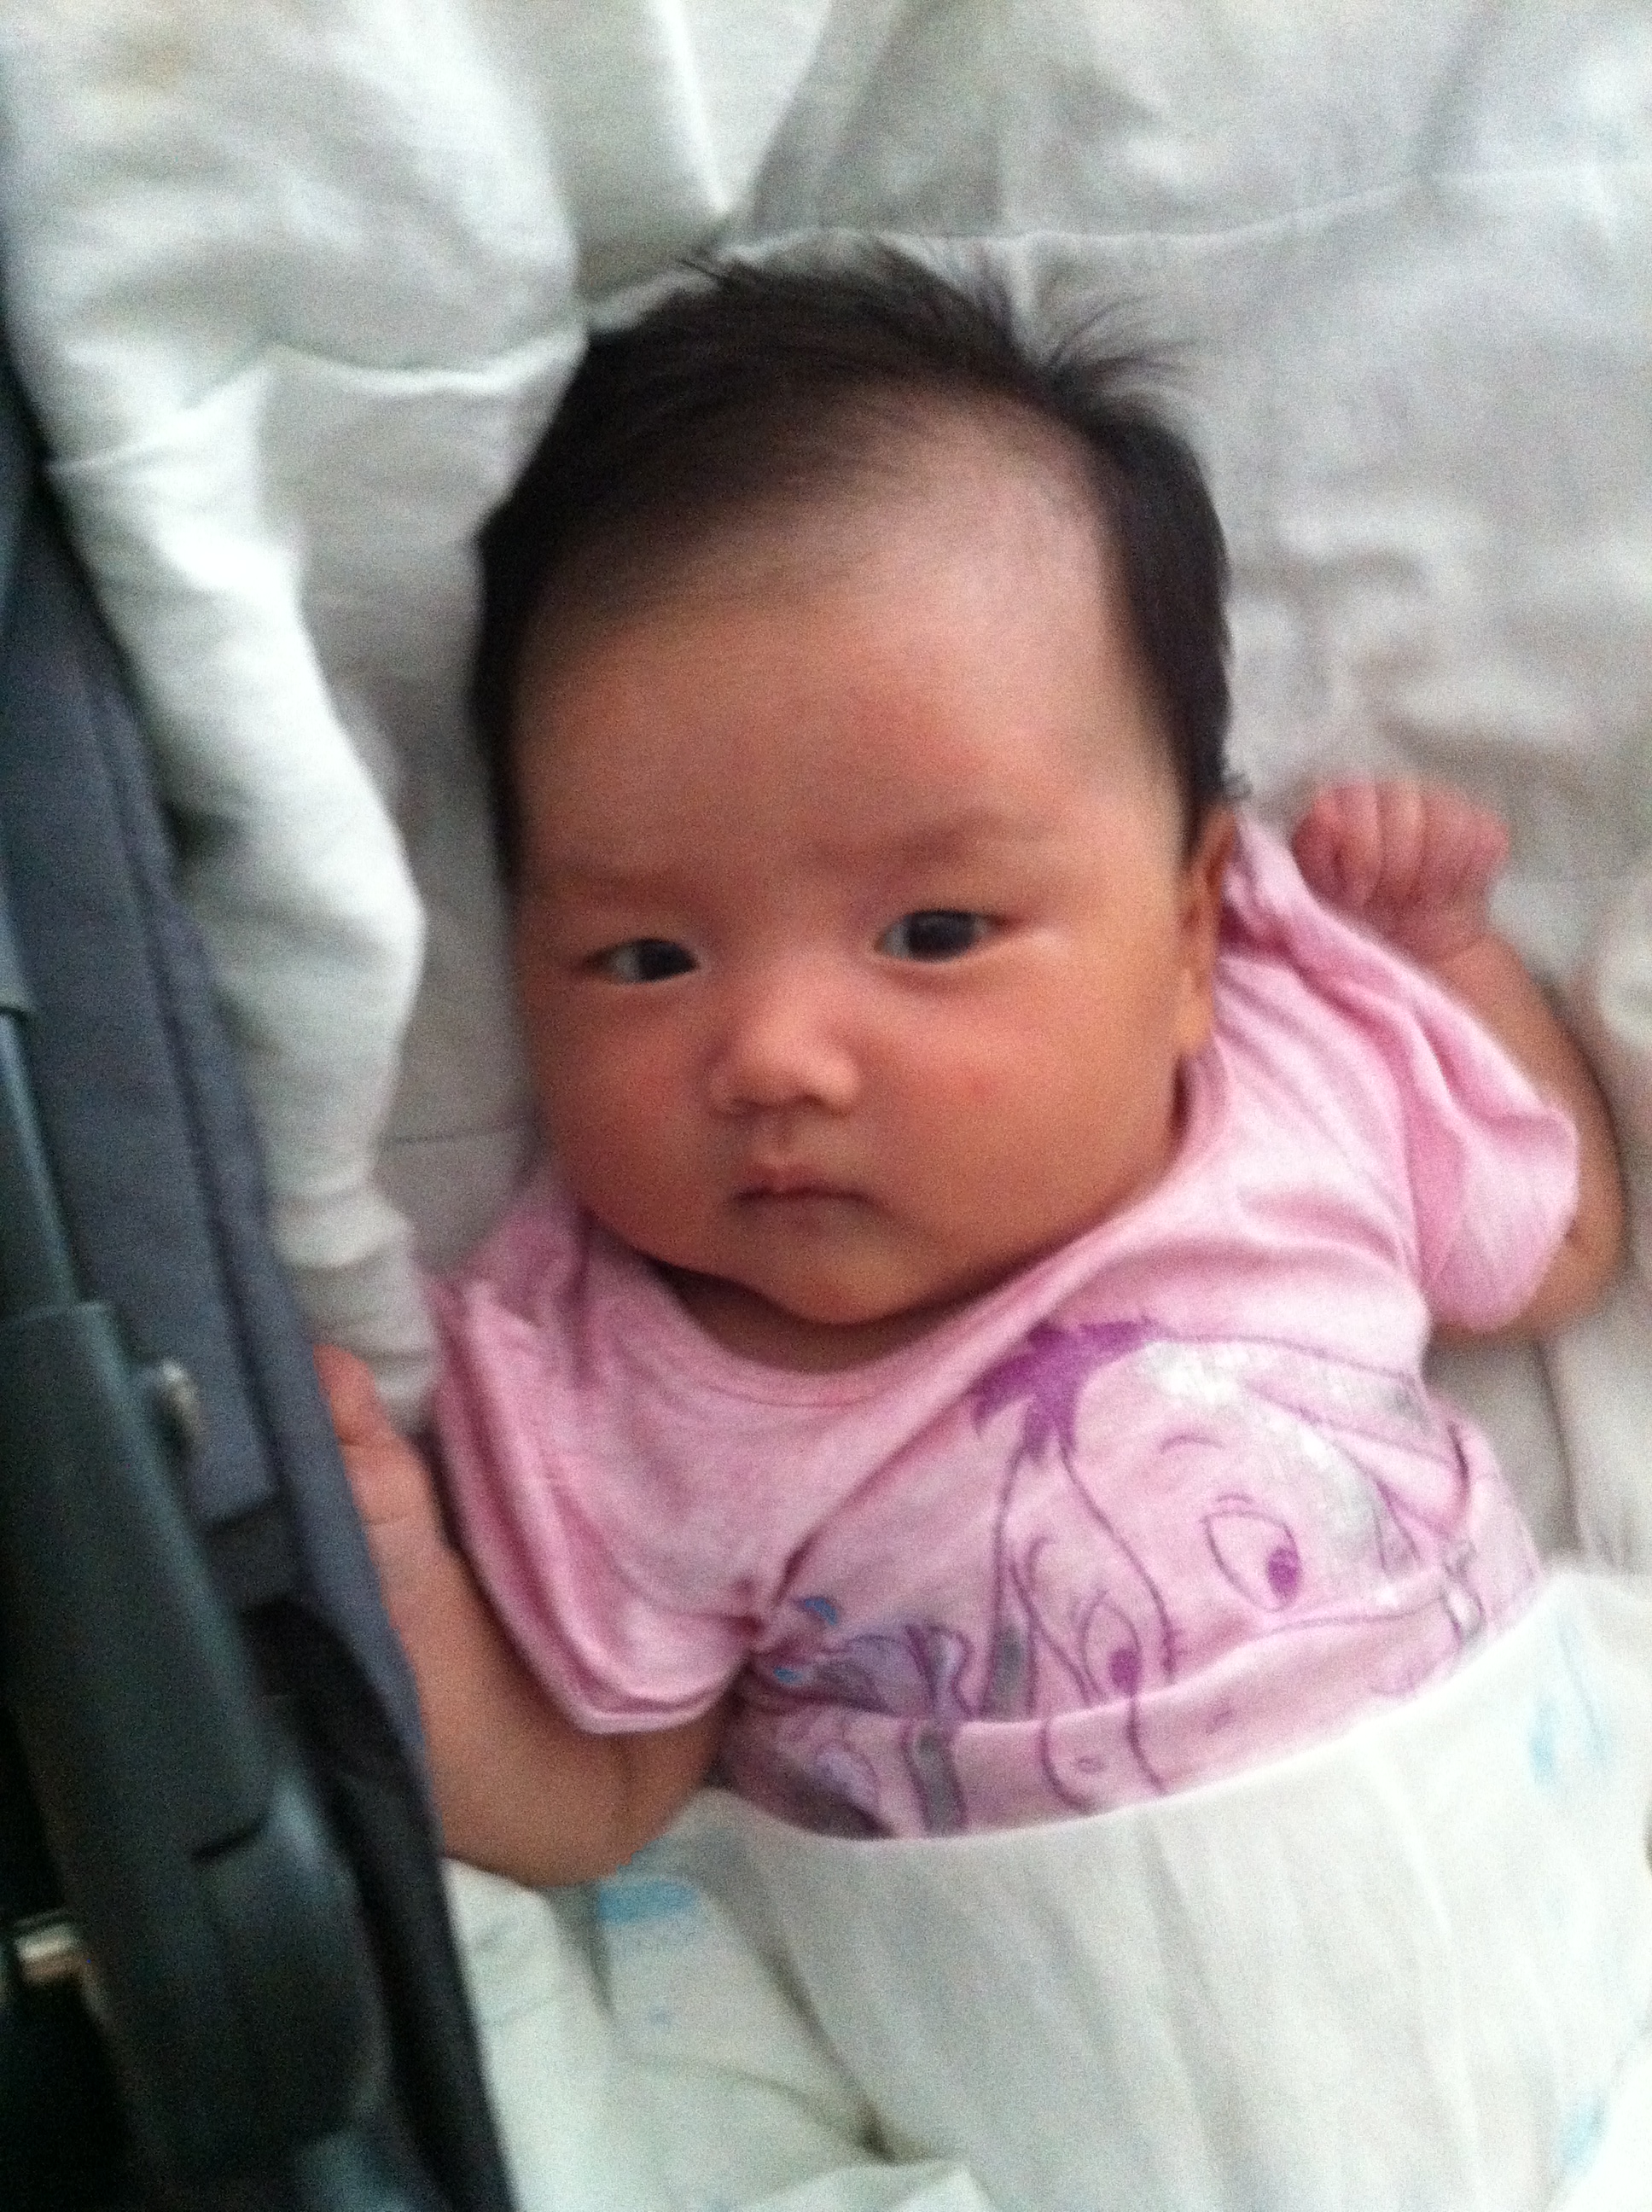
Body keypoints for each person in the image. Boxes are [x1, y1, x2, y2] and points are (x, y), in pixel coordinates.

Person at [317, 251, 1625, 1889]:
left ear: (1192, 940)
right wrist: (402, 1592)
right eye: (644, 959)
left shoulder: (1304, 1076)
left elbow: (1563, 1250)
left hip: (1525, 1838)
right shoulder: (618, 1390)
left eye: (932, 933)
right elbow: (595, 1808)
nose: (773, 1058)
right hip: (1028, 1982)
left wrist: (1451, 963)